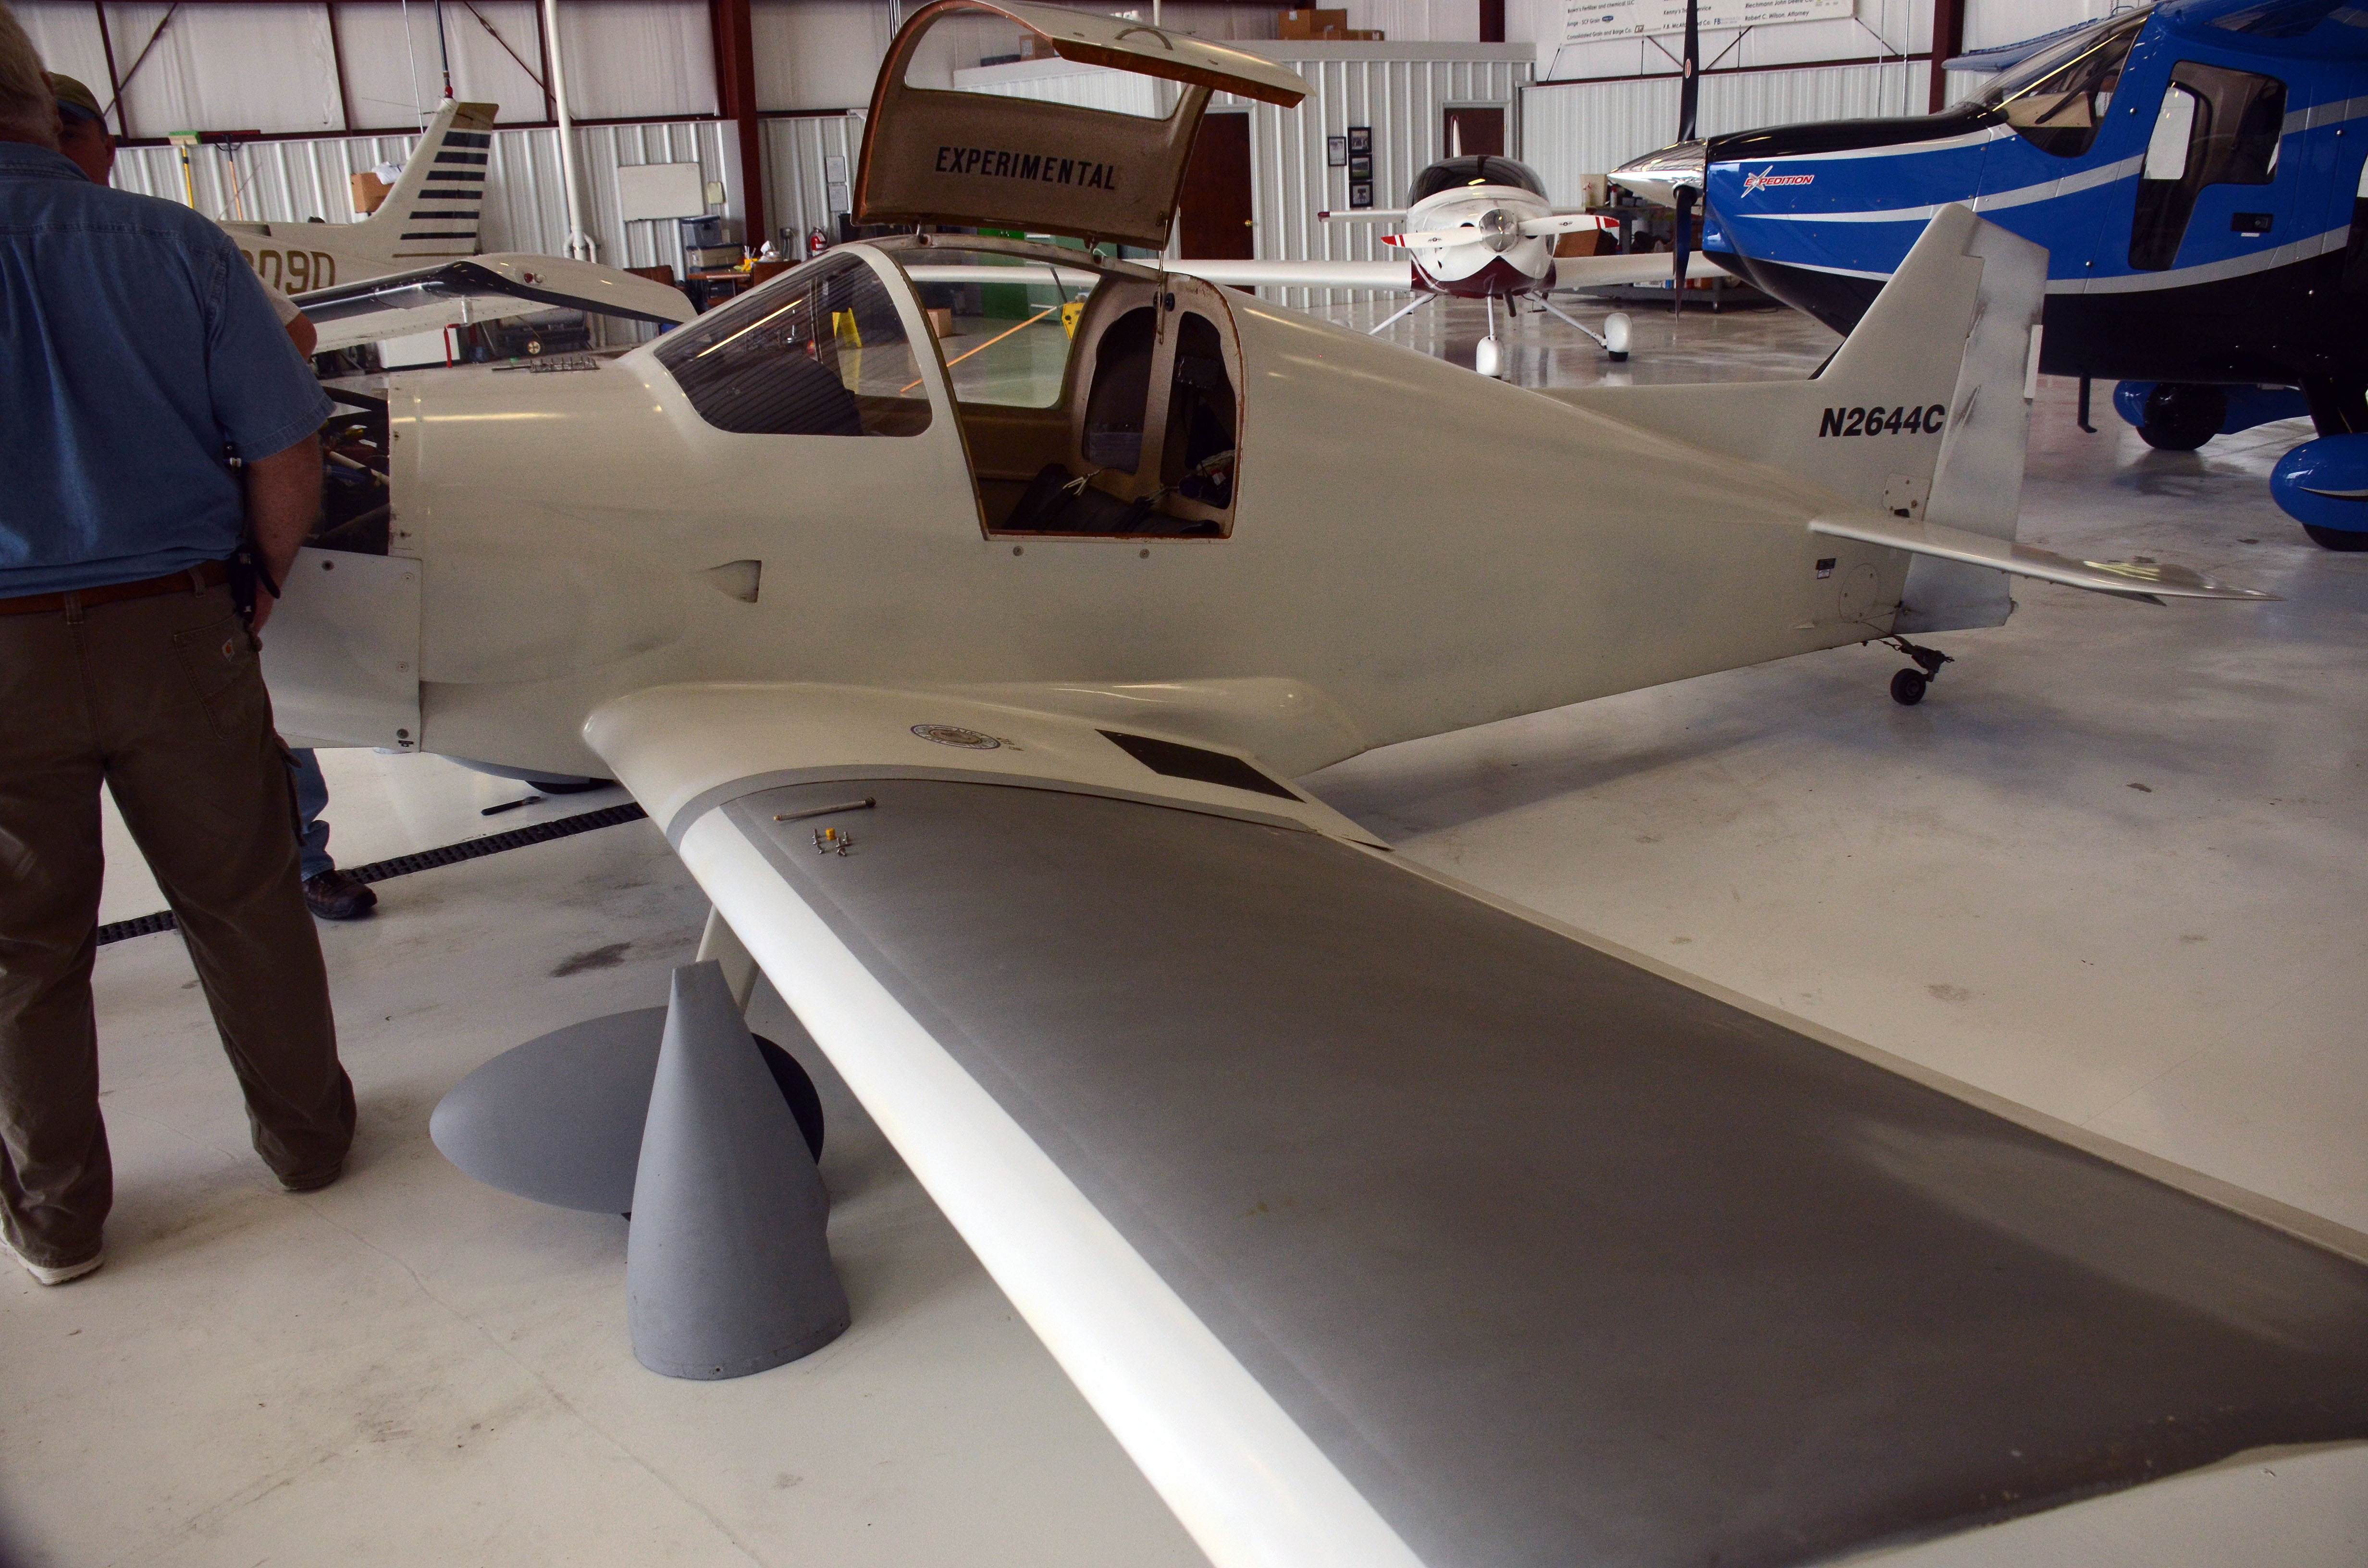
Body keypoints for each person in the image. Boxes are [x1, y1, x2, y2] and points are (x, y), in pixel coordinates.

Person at [0, 6, 356, 1286]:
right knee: (246, 902)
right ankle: (308, 1142)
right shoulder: (171, 243)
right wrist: (255, 585)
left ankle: (58, 1220)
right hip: (177, 623)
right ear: (43, 106)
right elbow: (288, 444)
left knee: (22, 955)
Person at [49, 73, 373, 922]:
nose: (58, 149)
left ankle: (302, 861)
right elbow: (291, 387)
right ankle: (292, 872)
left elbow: (295, 338)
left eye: (69, 131)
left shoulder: (174, 243)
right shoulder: (171, 241)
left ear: (104, 145)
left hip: (146, 581)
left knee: (254, 730)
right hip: (129, 588)